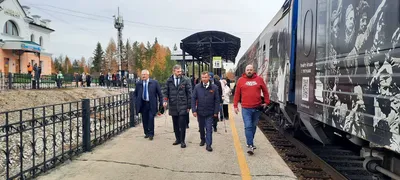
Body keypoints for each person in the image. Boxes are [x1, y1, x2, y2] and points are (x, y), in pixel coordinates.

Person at [233, 64, 270, 155]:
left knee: (253, 126)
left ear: (253, 70)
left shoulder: (259, 79)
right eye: (247, 69)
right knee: (248, 126)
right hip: (246, 108)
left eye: (250, 69)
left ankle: (249, 141)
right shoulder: (241, 81)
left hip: (257, 108)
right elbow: (237, 94)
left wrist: (266, 101)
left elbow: (265, 91)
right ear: (245, 71)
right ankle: (250, 145)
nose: (249, 71)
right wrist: (235, 105)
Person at [163, 65, 192, 148]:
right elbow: (165, 92)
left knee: (182, 124)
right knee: (175, 124)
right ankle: (177, 139)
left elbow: (189, 94)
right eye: (178, 71)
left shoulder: (186, 80)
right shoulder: (169, 81)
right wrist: (165, 101)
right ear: (174, 71)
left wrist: (189, 106)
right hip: (173, 105)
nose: (180, 73)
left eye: (180, 71)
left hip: (183, 105)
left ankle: (183, 141)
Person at [192, 71, 220, 152]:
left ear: (209, 78)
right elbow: (193, 98)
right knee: (201, 128)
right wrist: (194, 110)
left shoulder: (214, 88)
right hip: (200, 112)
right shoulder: (197, 87)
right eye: (202, 77)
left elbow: (217, 100)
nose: (204, 79)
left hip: (210, 112)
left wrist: (216, 111)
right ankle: (202, 139)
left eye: (205, 77)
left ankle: (208, 145)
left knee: (209, 129)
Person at [135, 69, 163, 140]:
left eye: (144, 74)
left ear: (148, 75)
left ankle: (151, 133)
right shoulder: (139, 83)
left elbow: (160, 94)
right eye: (142, 74)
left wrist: (161, 105)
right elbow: (135, 94)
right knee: (144, 119)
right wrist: (136, 101)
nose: (143, 76)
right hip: (143, 104)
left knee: (151, 118)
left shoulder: (154, 83)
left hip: (151, 104)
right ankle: (146, 133)